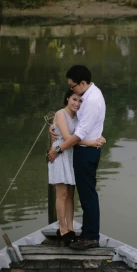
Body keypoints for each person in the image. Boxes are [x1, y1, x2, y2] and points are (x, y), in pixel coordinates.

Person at [47, 65, 106, 250]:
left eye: (73, 86)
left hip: (85, 152)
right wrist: (54, 124)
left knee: (87, 195)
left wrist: (58, 149)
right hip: (80, 150)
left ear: (82, 83)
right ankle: (84, 232)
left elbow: (79, 134)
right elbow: (70, 122)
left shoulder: (92, 100)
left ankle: (91, 236)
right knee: (83, 193)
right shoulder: (87, 97)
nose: (71, 89)